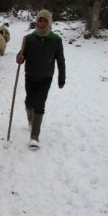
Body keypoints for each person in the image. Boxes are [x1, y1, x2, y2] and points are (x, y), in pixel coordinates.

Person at [16, 9, 66, 149]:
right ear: (37, 22)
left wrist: (61, 78)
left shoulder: (55, 40)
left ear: (49, 23)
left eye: (45, 21)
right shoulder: (29, 39)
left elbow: (60, 60)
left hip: (46, 77)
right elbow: (21, 55)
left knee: (40, 104)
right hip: (30, 75)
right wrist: (20, 58)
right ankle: (31, 120)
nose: (42, 23)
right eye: (40, 20)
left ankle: (34, 136)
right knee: (29, 102)